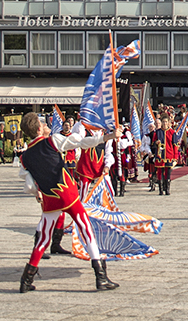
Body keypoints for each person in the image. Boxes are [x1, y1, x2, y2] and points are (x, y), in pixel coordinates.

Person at [16, 111, 118, 293]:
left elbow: (30, 185)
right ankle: (100, 276)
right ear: (39, 128)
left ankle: (26, 278)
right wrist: (108, 137)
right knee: (85, 227)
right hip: (67, 193)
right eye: (44, 124)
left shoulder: (25, 157)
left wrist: (38, 193)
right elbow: (81, 142)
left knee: (44, 237)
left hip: (50, 198)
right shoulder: (52, 141)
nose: (47, 126)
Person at [150, 116, 177, 196]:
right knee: (160, 172)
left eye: (166, 122)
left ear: (169, 123)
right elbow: (153, 144)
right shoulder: (157, 132)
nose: (165, 123)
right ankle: (161, 189)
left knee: (168, 172)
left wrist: (175, 157)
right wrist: (156, 143)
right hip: (160, 155)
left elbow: (175, 145)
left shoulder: (172, 132)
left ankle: (167, 188)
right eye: (163, 122)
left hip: (169, 155)